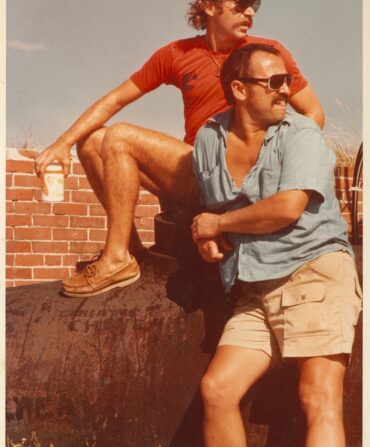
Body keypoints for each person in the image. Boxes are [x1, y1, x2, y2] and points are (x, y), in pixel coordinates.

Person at [34, 0, 325, 297]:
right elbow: (115, 100)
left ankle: (116, 257)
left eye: (254, 6)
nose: (250, 13)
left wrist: (273, 166)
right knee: (92, 142)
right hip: (201, 173)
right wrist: (62, 144)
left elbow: (314, 113)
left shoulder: (267, 56)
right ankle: (125, 252)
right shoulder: (178, 54)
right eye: (240, 4)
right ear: (209, 6)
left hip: (248, 177)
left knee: (119, 136)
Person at [191, 43, 362, 447]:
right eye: (274, 82)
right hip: (255, 286)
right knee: (217, 390)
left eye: (287, 80)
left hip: (313, 272)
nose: (286, 90)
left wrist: (220, 223)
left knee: (318, 397)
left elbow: (287, 208)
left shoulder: (300, 133)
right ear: (238, 89)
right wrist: (205, 238)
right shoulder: (208, 139)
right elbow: (206, 210)